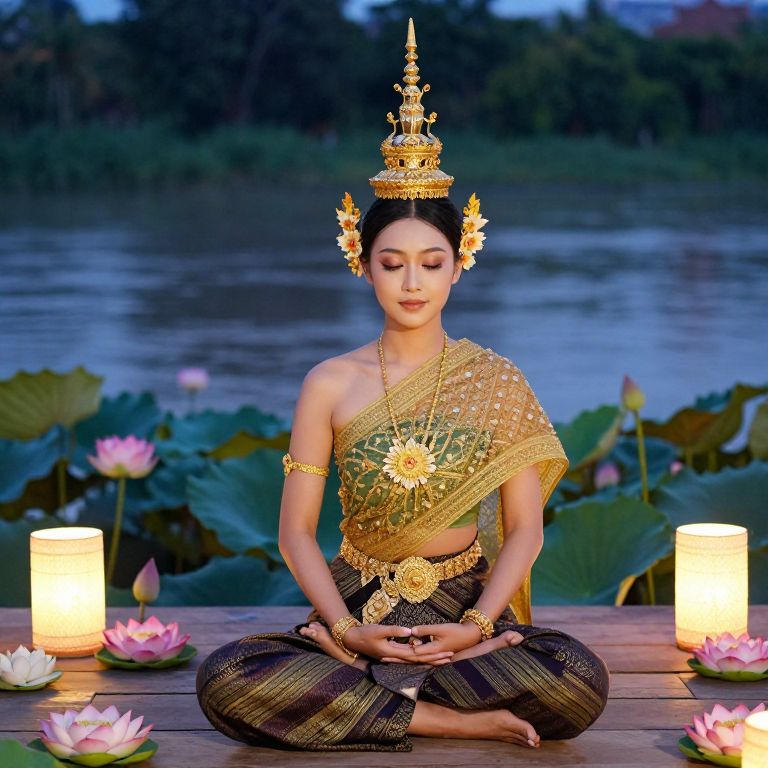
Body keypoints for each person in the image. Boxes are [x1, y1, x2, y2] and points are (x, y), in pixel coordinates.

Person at [195, 18, 610, 752]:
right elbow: (296, 532)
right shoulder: (328, 382)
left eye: (431, 261)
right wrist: (349, 630)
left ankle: (383, 703)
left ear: (461, 261)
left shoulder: (496, 378)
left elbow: (525, 530)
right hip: (358, 606)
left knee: (576, 676)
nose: (412, 282)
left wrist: (478, 626)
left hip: (463, 612)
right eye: (392, 263)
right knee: (228, 677)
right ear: (361, 262)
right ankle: (442, 718)